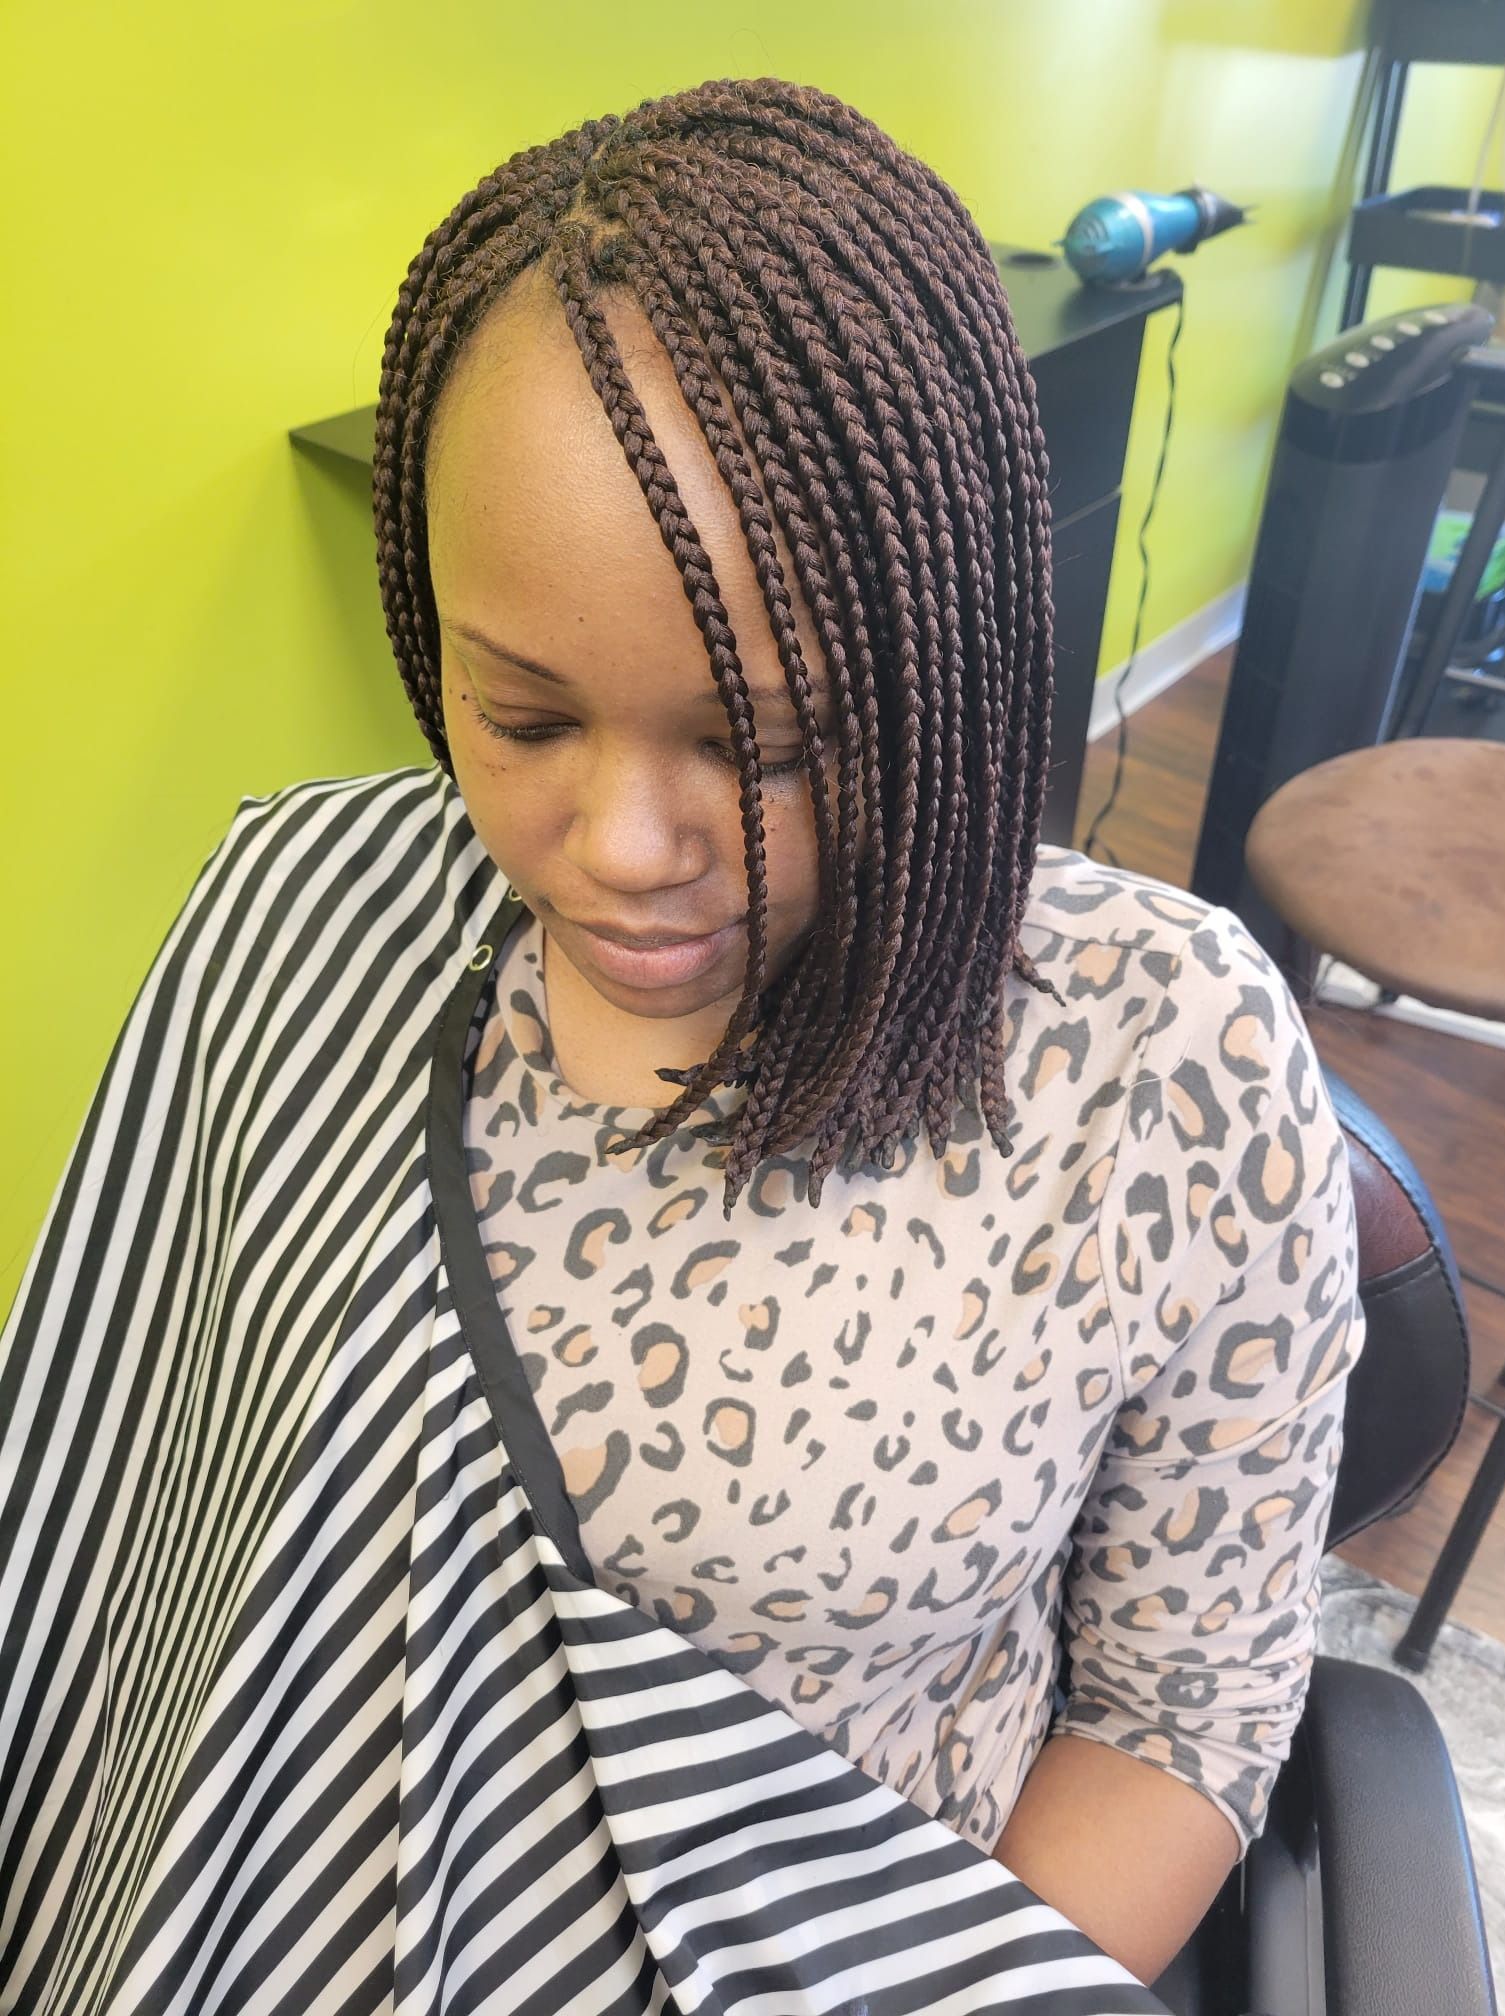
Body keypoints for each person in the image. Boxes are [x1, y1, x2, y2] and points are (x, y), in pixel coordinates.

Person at [0, 76, 1365, 2009]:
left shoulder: (1162, 1059)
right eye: (524, 717)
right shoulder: (300, 925)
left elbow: (1185, 1711)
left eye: (770, 744)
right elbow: (126, 1556)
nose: (622, 853)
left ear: (956, 653)